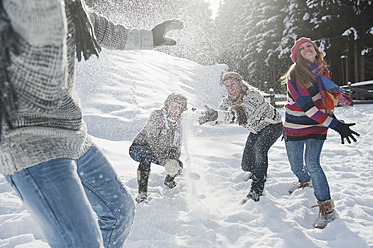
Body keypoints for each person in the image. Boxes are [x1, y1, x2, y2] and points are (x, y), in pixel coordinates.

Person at [0, 0, 183, 247]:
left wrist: (150, 37)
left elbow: (106, 31)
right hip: (29, 143)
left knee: (119, 213)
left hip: (72, 134)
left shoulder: (72, 6)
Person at [280, 37, 360, 228]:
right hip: (295, 124)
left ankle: (327, 210)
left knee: (313, 164)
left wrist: (335, 120)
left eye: (310, 46)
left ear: (316, 51)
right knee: (296, 165)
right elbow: (309, 109)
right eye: (302, 48)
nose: (307, 49)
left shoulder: (322, 71)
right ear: (297, 55)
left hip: (318, 124)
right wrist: (336, 125)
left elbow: (324, 101)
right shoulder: (295, 76)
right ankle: (303, 181)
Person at [198, 72, 283, 202]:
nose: (230, 88)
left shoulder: (253, 96)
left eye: (233, 84)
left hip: (273, 126)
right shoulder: (227, 101)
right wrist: (205, 117)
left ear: (240, 84)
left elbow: (238, 115)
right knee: (246, 165)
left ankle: (257, 189)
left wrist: (218, 115)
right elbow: (220, 117)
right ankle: (256, 172)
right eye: (226, 86)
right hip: (256, 130)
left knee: (260, 149)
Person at [129, 93, 188, 203]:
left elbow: (176, 147)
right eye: (172, 105)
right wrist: (164, 161)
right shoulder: (157, 115)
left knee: (178, 165)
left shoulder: (180, 124)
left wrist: (172, 162)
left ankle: (168, 182)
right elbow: (152, 141)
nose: (174, 110)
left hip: (159, 153)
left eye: (178, 107)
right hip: (139, 148)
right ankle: (142, 192)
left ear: (182, 110)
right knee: (146, 156)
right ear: (167, 105)